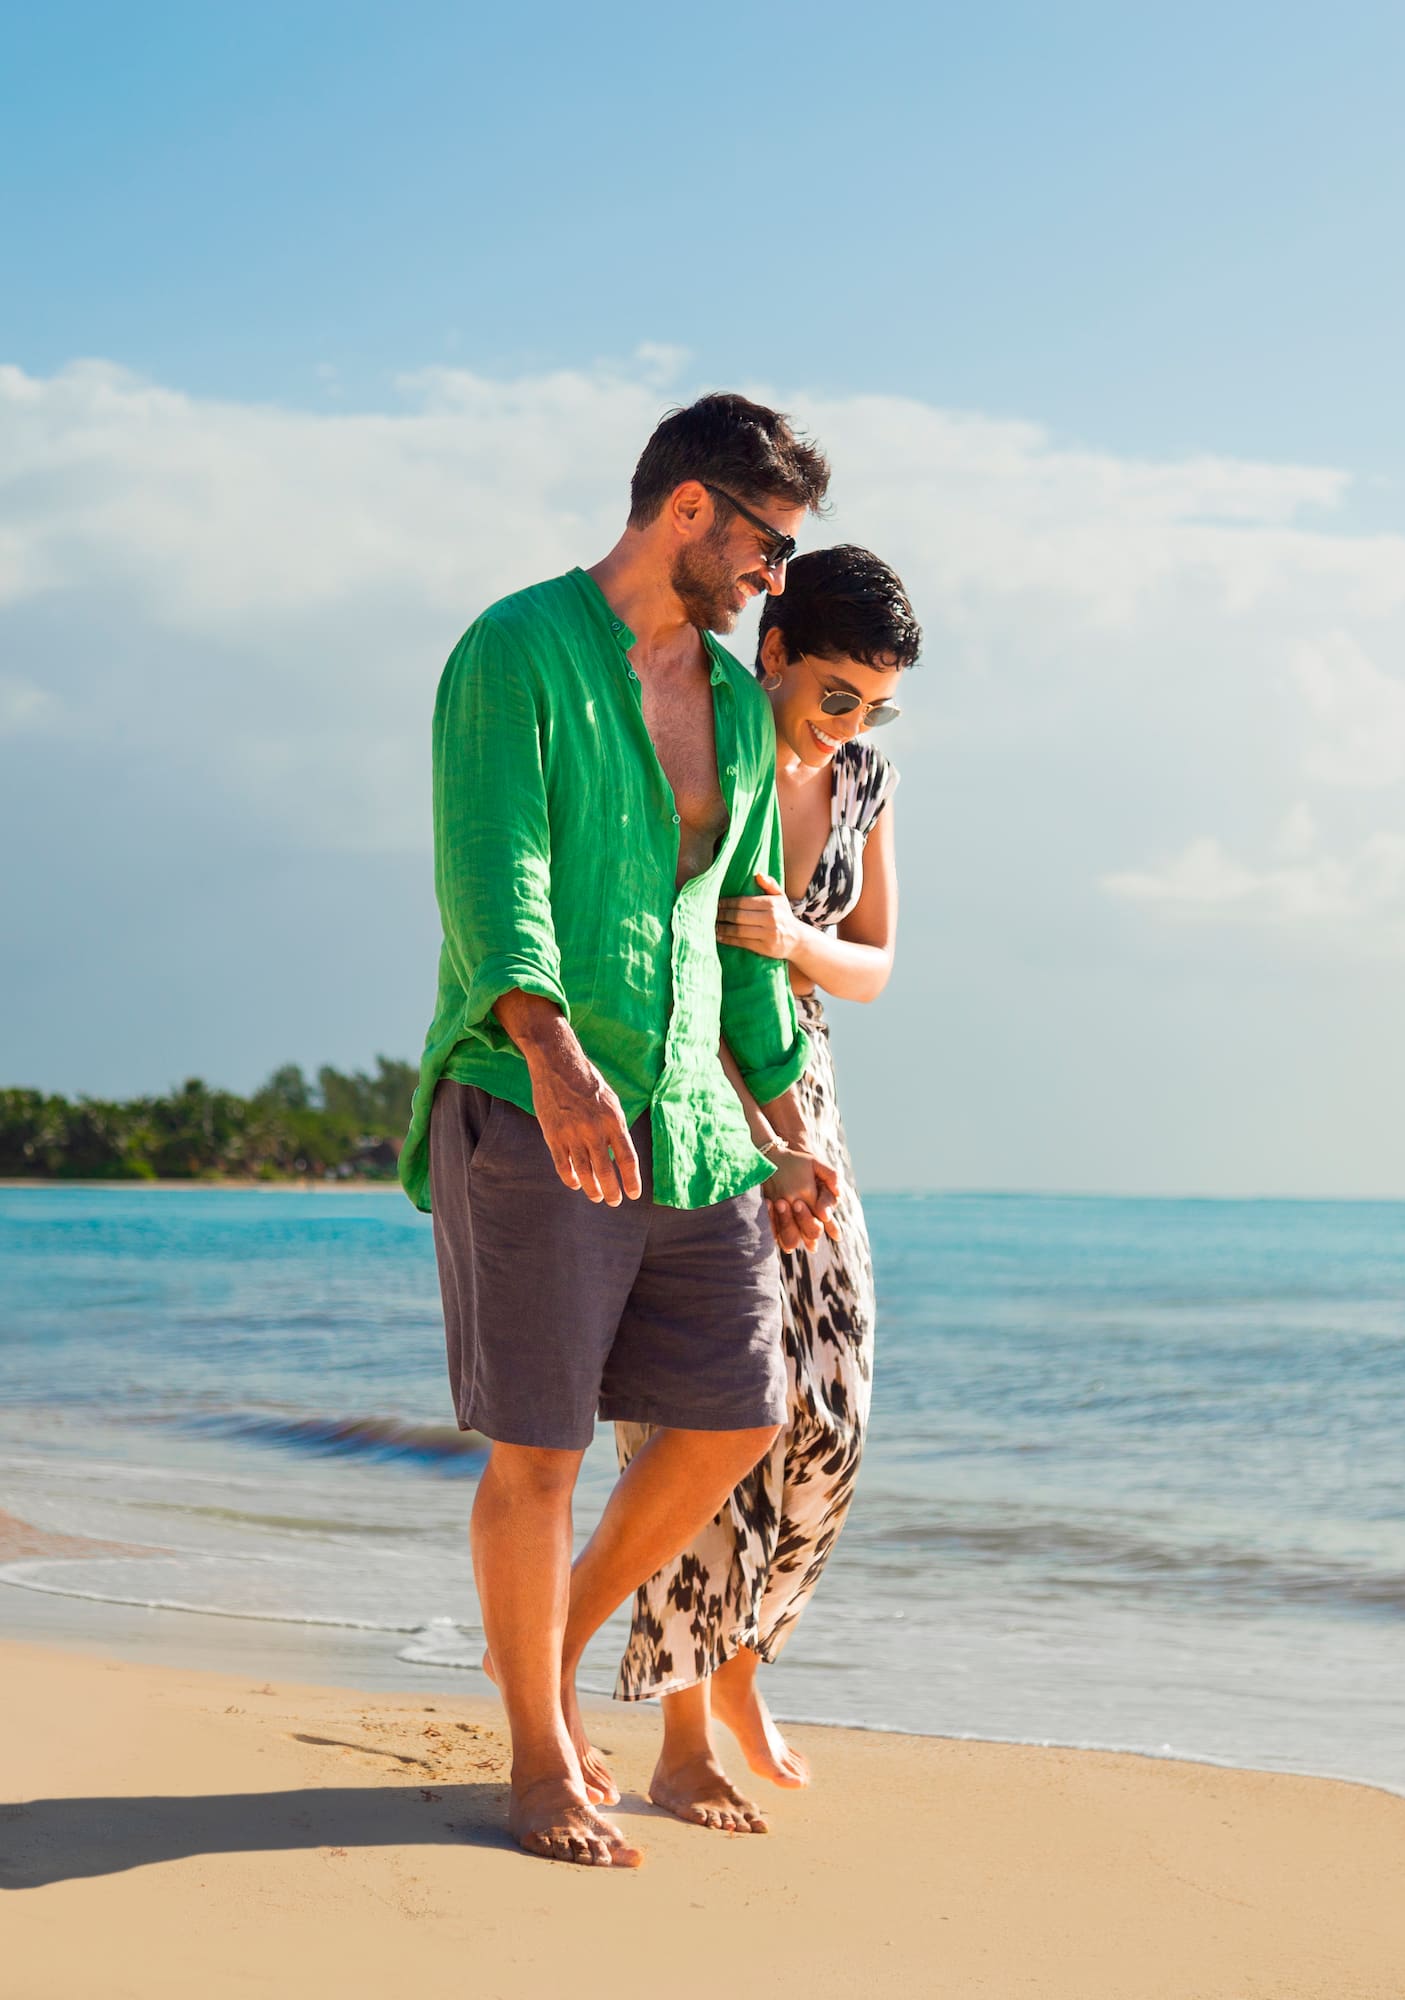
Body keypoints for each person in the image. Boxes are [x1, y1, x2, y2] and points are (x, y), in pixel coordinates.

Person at [399, 393, 842, 1869]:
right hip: (536, 1100)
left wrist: (783, 1123)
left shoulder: (724, 698)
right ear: (693, 510)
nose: (774, 580)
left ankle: (554, 1649)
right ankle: (539, 1758)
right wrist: (552, 1046)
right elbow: (496, 865)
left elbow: (740, 930)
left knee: (737, 1410)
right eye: (770, 547)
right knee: (540, 1443)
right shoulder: (514, 650)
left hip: (694, 1118)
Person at [607, 545, 918, 1833]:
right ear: (775, 647)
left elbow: (879, 965)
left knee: (830, 1420)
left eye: (876, 705)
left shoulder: (861, 779)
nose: (850, 723)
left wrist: (799, 939)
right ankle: (682, 1742)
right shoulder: (706, 730)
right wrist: (748, 1127)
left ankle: (739, 1669)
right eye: (837, 692)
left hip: (812, 1097)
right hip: (690, 1084)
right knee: (697, 1418)